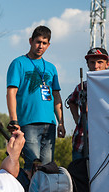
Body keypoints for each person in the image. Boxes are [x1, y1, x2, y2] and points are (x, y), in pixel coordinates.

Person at [6, 26, 65, 177]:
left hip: (49, 123)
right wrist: (14, 119)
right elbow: (11, 93)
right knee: (32, 164)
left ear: (48, 45)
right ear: (31, 41)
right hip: (28, 122)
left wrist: (61, 122)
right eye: (38, 42)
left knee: (47, 167)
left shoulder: (51, 67)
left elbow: (56, 97)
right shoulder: (18, 63)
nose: (41, 46)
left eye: (44, 43)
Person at [67, 47, 109, 161]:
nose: (96, 66)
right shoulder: (82, 87)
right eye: (92, 62)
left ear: (107, 64)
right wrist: (78, 120)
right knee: (80, 177)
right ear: (88, 65)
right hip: (80, 142)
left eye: (100, 62)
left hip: (104, 143)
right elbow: (71, 101)